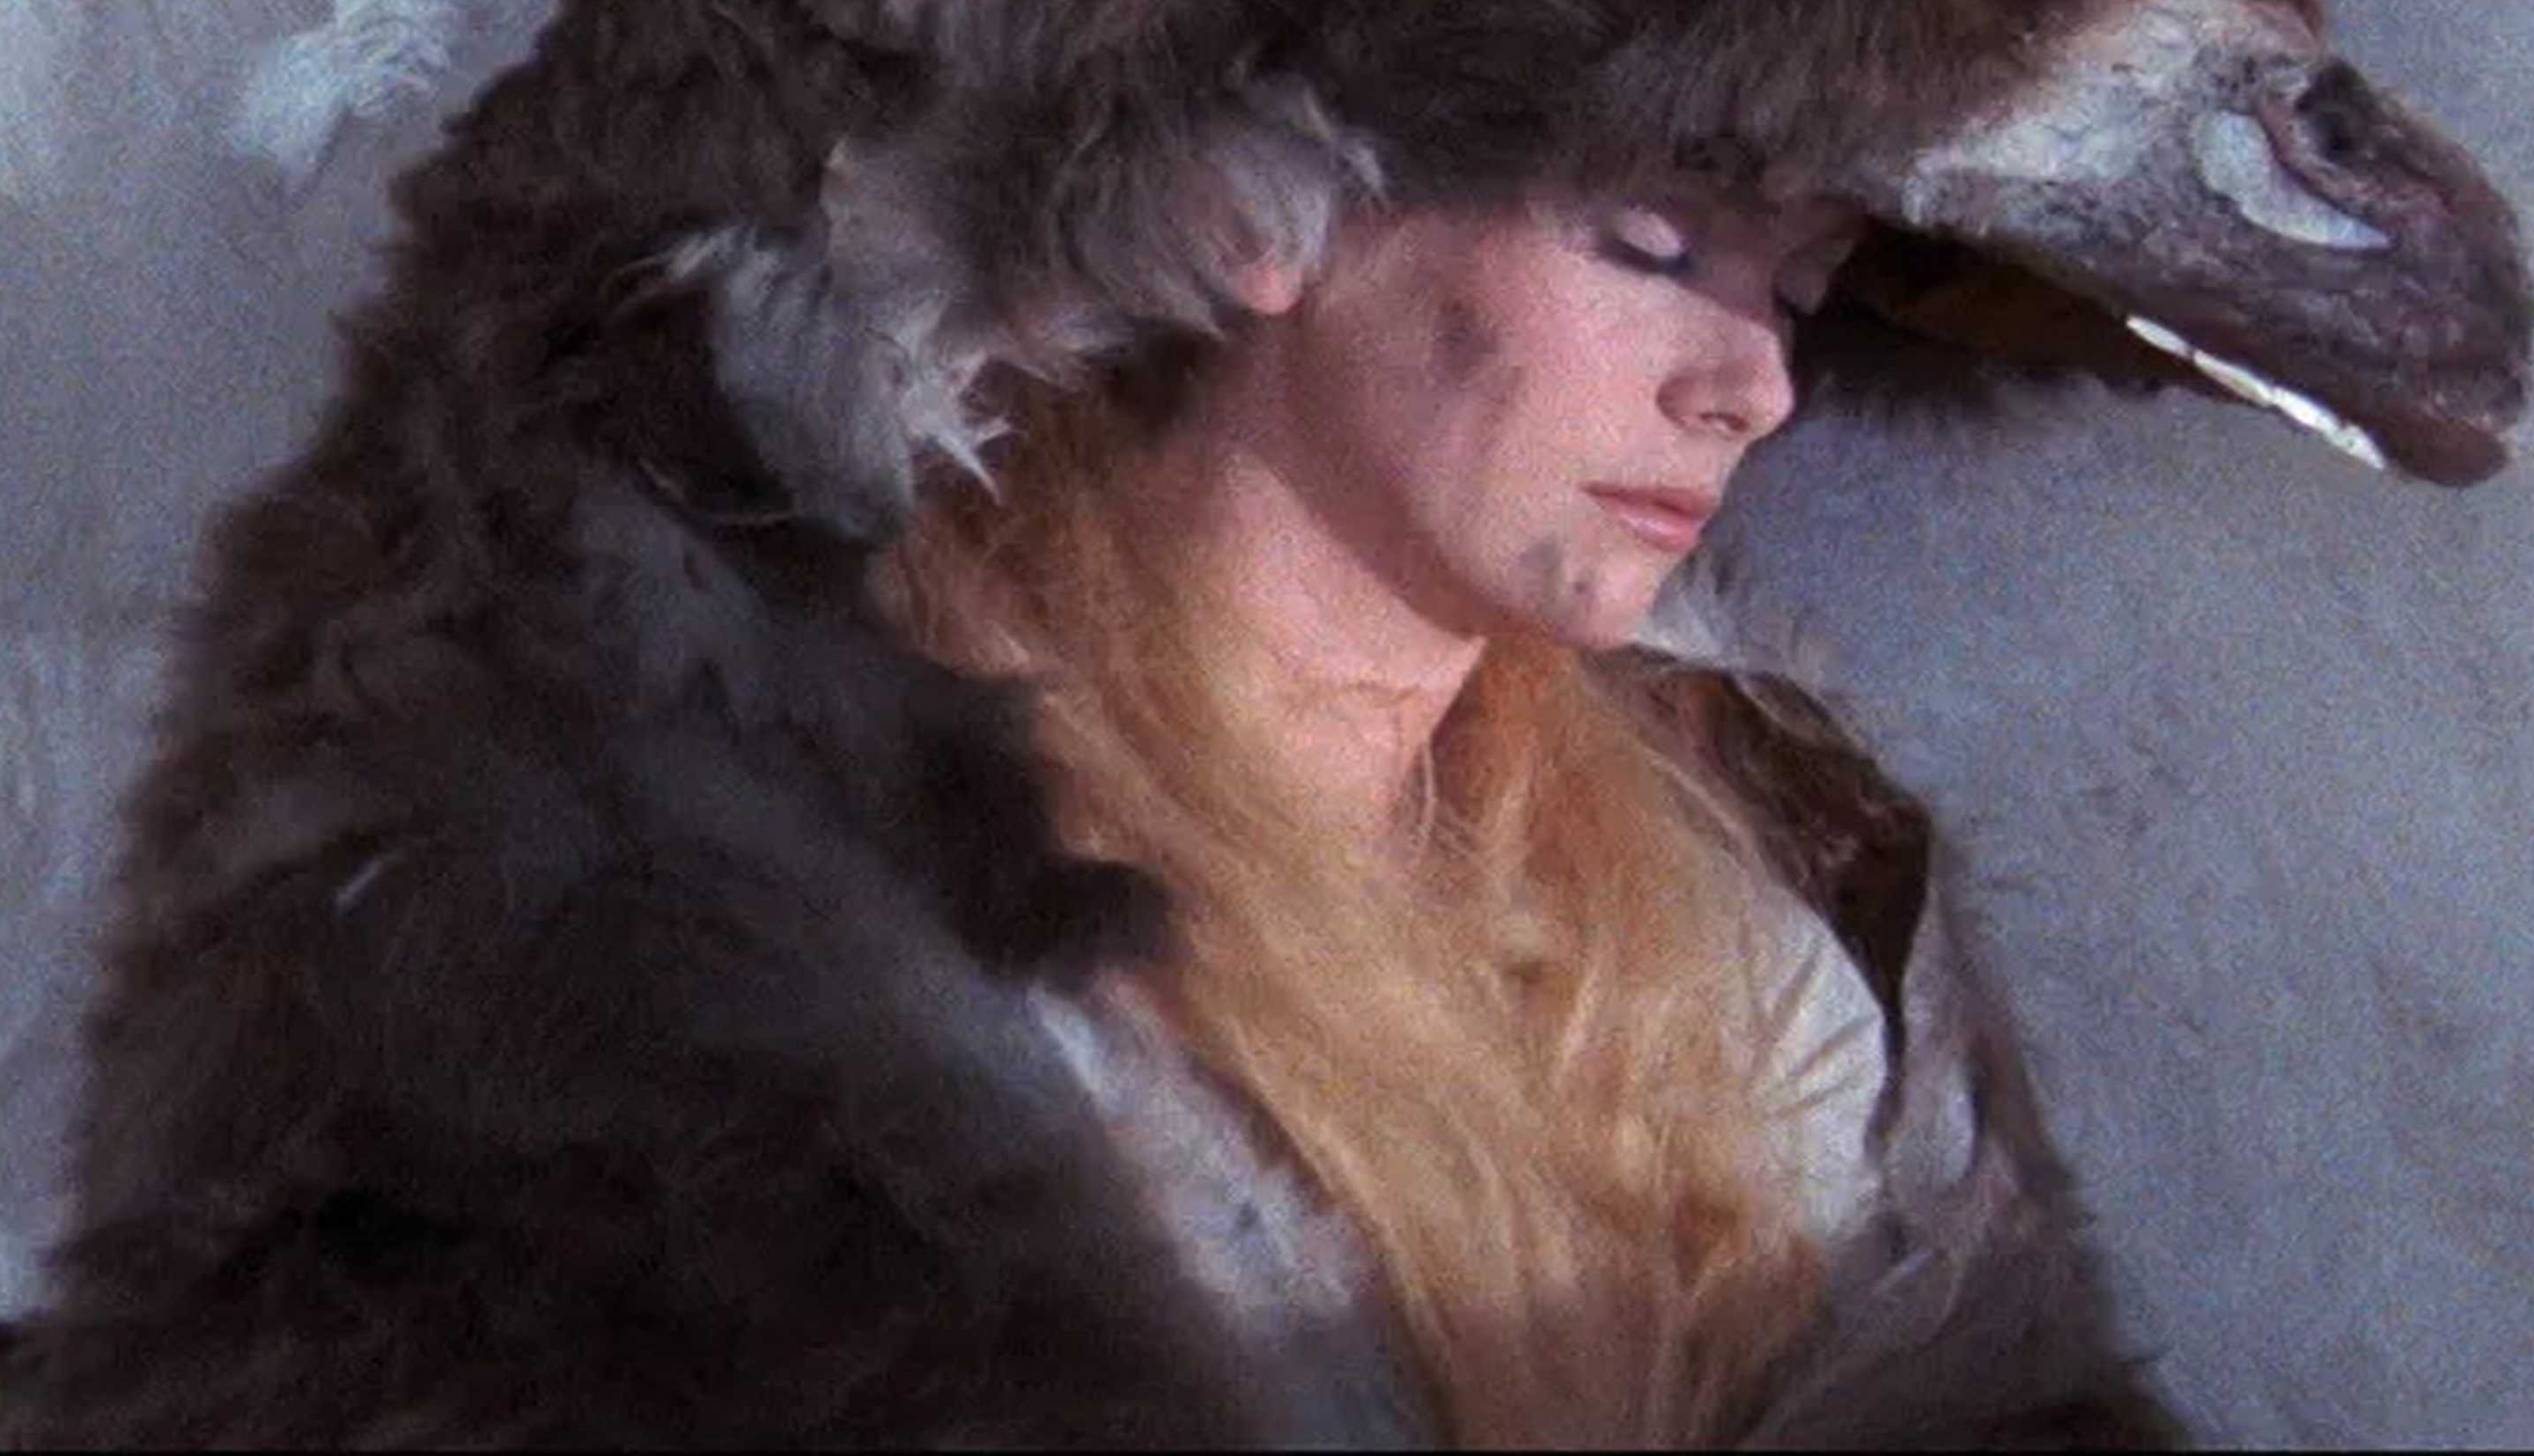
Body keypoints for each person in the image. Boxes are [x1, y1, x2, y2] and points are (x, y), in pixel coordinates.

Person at [882, 178, 2152, 1445]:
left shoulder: (1714, 979)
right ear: (1268, 208)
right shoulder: (869, 892)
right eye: (1655, 246)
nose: (1759, 387)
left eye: (1797, 286)